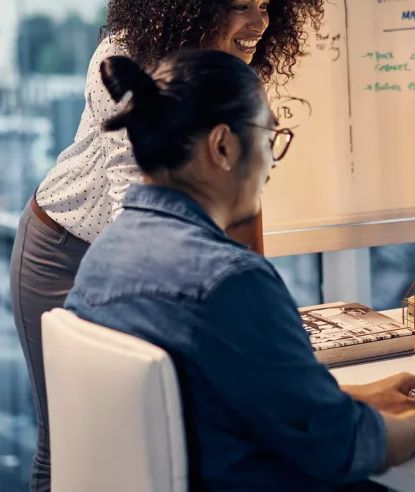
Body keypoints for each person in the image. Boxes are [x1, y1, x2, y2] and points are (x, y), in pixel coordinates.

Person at [63, 50, 415, 490]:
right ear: (223, 146)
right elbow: (342, 448)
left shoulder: (103, 257)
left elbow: (202, 403)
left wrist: (350, 398)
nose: (272, 163)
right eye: (270, 137)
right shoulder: (229, 281)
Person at [9, 2, 322, 489]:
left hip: (140, 253)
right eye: (241, 6)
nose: (259, 24)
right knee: (69, 437)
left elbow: (243, 194)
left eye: (265, 5)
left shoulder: (231, 68)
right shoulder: (124, 58)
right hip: (63, 249)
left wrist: (264, 304)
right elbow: (131, 203)